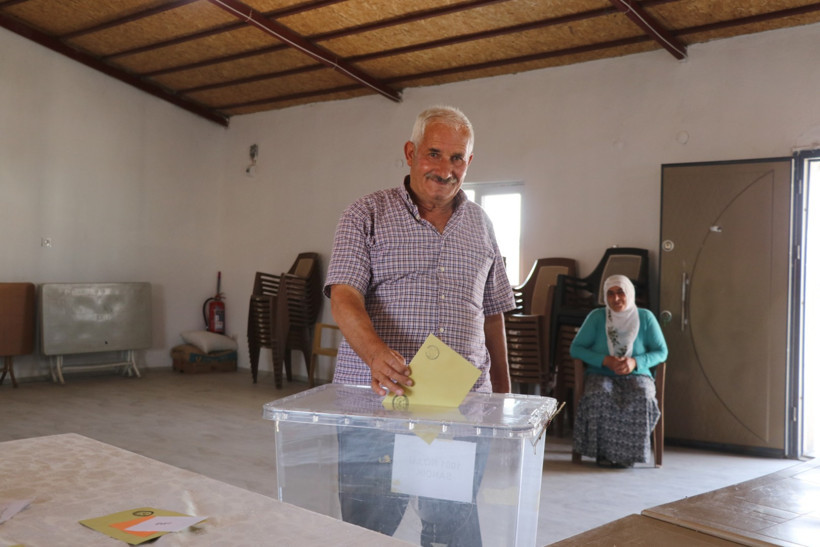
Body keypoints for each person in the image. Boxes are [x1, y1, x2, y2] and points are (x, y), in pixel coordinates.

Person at [324, 105, 515, 545]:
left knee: (453, 529)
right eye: (434, 153)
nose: (445, 169)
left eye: (457, 158)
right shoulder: (366, 213)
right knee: (365, 531)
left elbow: (493, 314)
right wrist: (375, 354)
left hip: (460, 409)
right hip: (376, 407)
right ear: (410, 153)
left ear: (469, 163)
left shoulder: (482, 226)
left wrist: (503, 398)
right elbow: (344, 295)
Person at [570, 274, 668, 468]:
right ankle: (604, 454)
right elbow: (576, 348)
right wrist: (604, 360)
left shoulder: (645, 317)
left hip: (638, 374)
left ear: (629, 293)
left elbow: (661, 351)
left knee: (642, 395)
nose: (616, 299)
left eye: (621, 292)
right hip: (601, 373)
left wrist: (635, 362)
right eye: (610, 294)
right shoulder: (597, 317)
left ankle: (628, 455)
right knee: (599, 395)